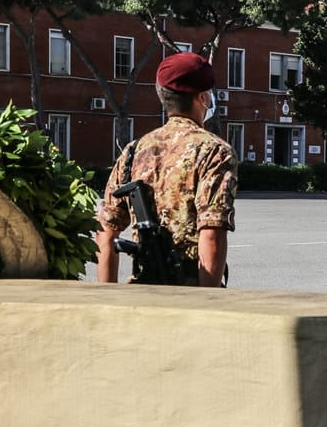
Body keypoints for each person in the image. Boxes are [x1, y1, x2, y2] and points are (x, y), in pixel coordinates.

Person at [96, 52, 238, 287]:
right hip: (190, 293)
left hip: (142, 292)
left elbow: (105, 232)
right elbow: (211, 233)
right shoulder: (214, 151)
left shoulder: (134, 151)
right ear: (202, 97)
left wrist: (109, 297)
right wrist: (210, 306)